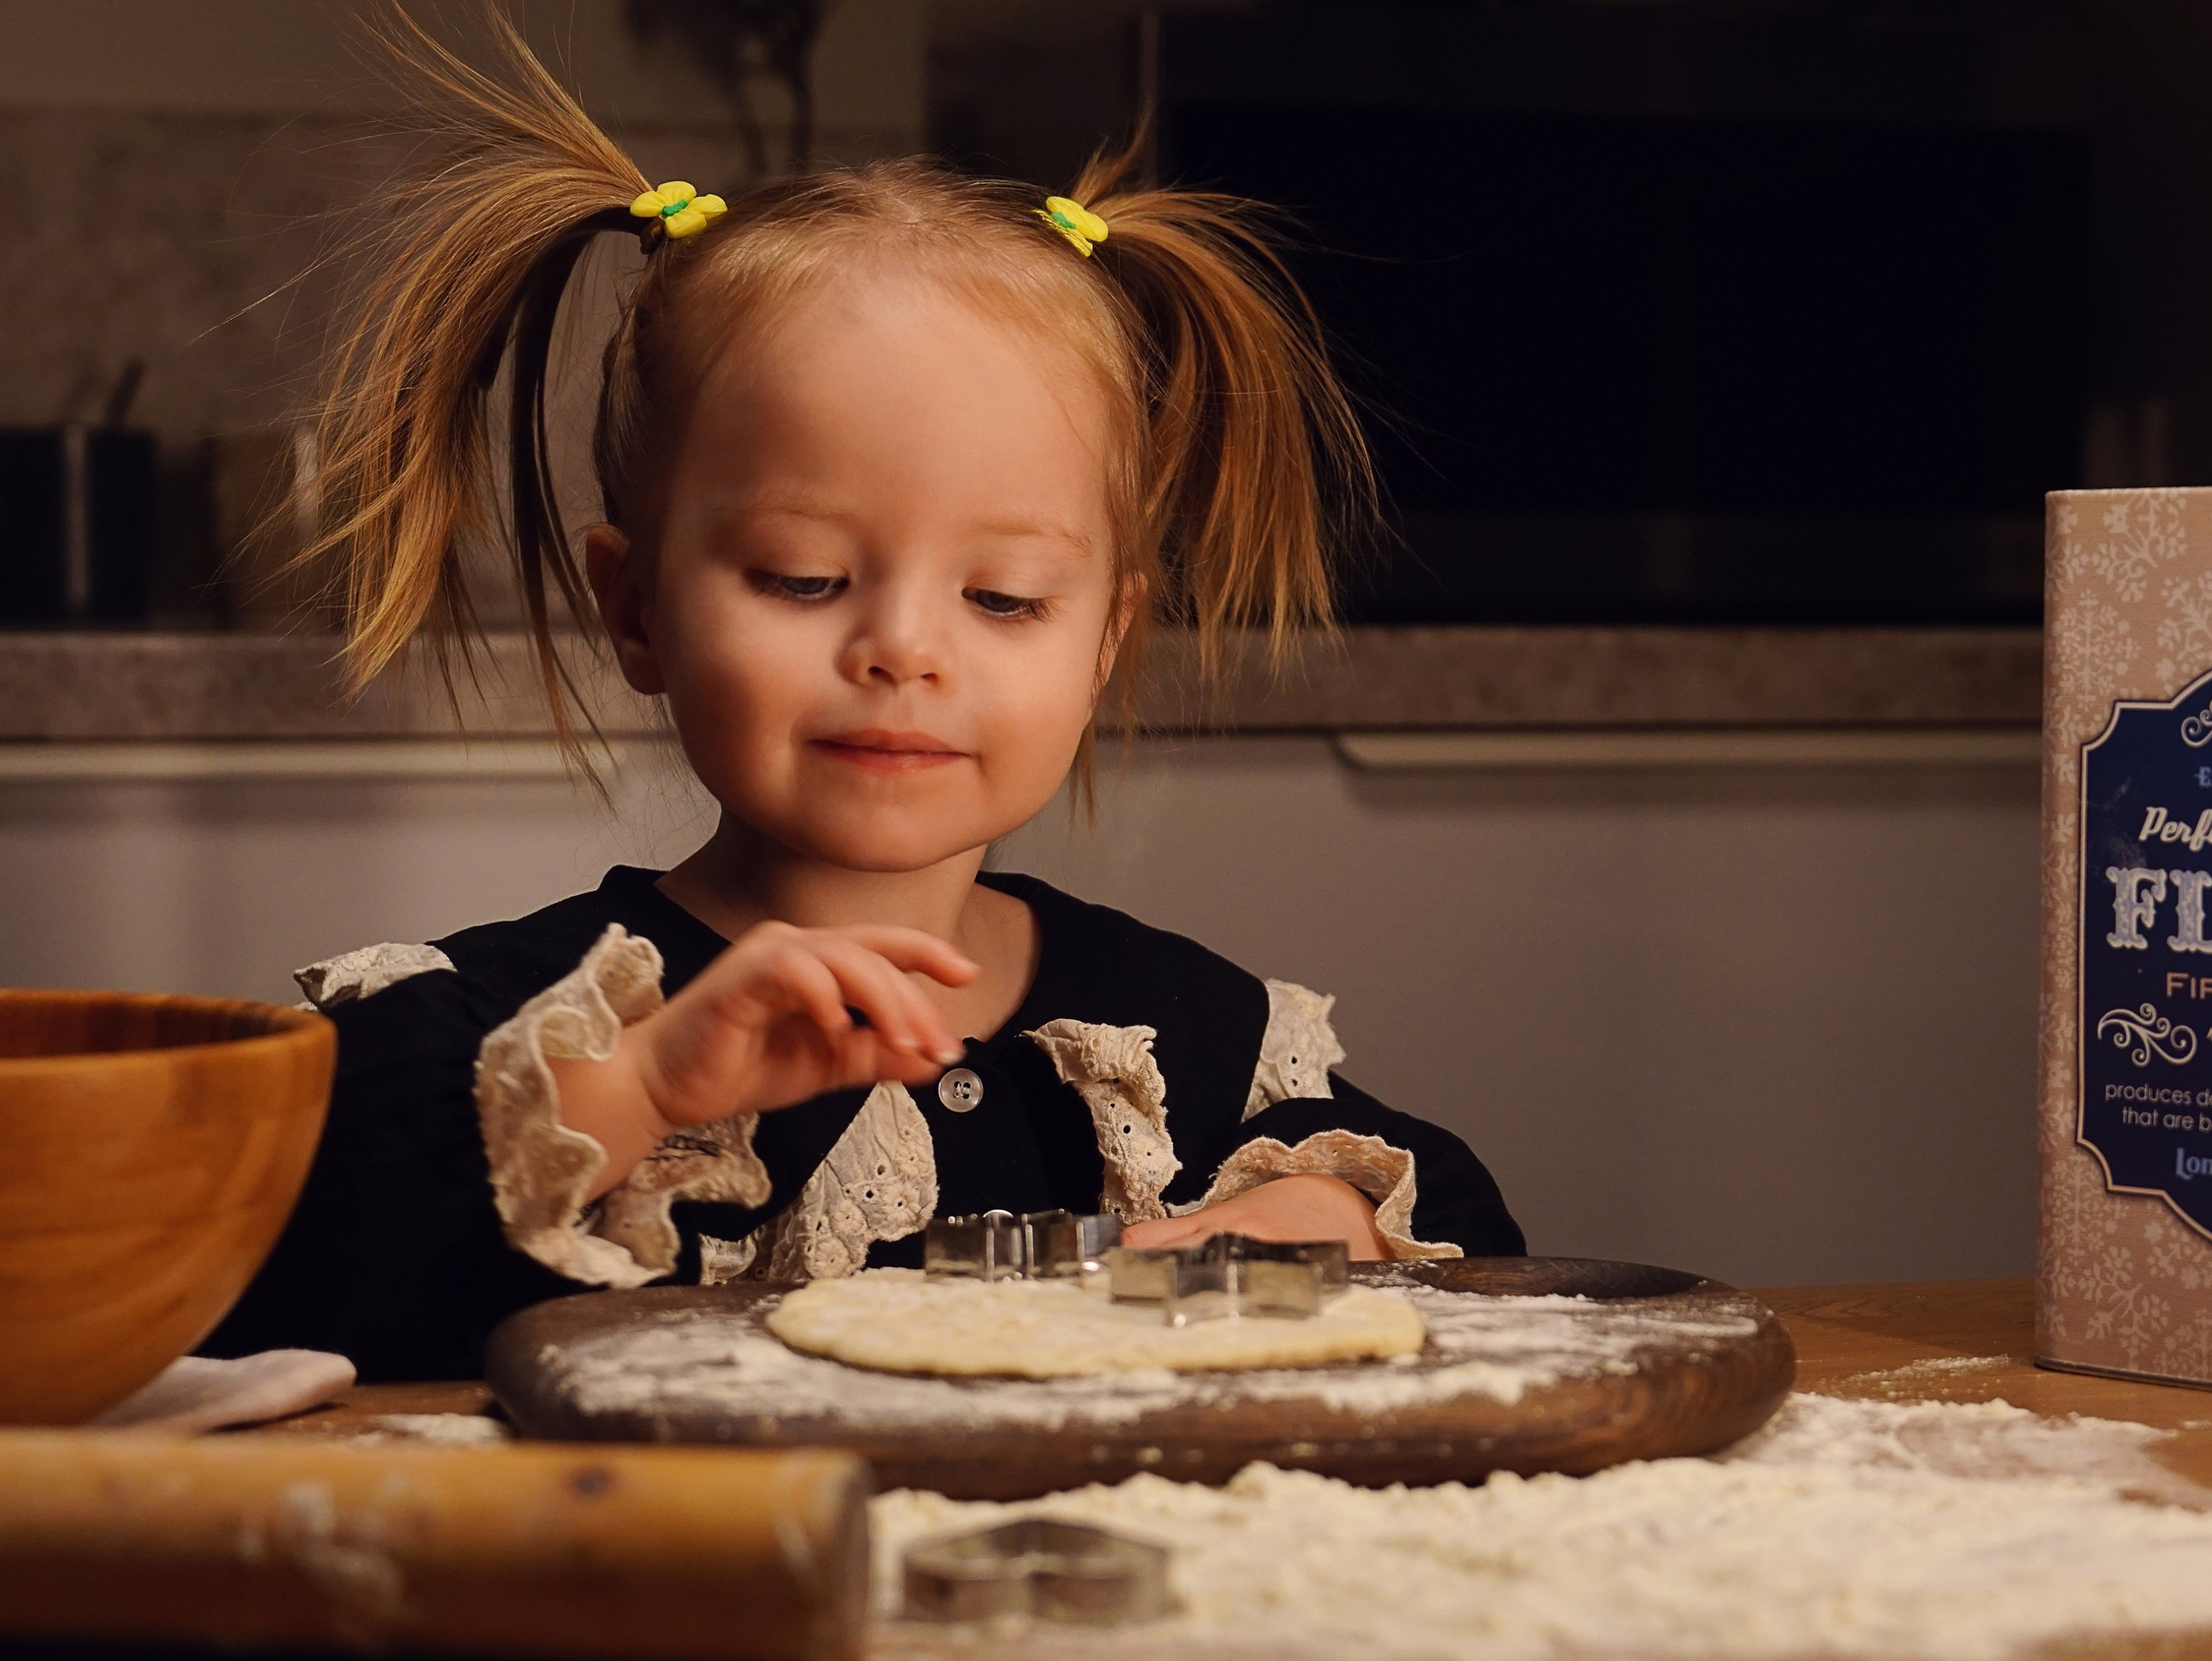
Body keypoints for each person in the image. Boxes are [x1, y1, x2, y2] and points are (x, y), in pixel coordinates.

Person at [205, 12, 1522, 1382]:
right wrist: (641, 1086)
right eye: (800, 576)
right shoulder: (491, 1027)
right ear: (637, 609)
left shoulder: (1191, 1041)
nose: (904, 649)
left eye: (1003, 596)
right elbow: (257, 1269)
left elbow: (1485, 1243)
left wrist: (1321, 1218)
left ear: (1106, 643)